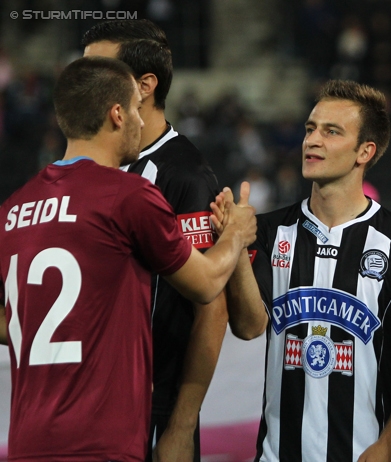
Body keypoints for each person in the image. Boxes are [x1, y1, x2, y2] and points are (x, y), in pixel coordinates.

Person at [0, 57, 256, 461]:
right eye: (136, 108)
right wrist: (237, 234)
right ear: (117, 114)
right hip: (103, 441)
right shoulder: (128, 196)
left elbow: (10, 318)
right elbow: (207, 285)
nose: (141, 120)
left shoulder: (14, 209)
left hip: (26, 441)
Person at [215, 79, 391, 462]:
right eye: (310, 129)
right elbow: (249, 326)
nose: (312, 140)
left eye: (331, 131)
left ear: (364, 152)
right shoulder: (269, 232)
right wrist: (238, 247)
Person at [82, 20, 232, 461]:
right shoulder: (81, 164)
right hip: (81, 402)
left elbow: (211, 308)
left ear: (144, 86)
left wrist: (180, 427)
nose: (82, 83)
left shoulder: (183, 177)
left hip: (149, 409)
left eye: (98, 71)